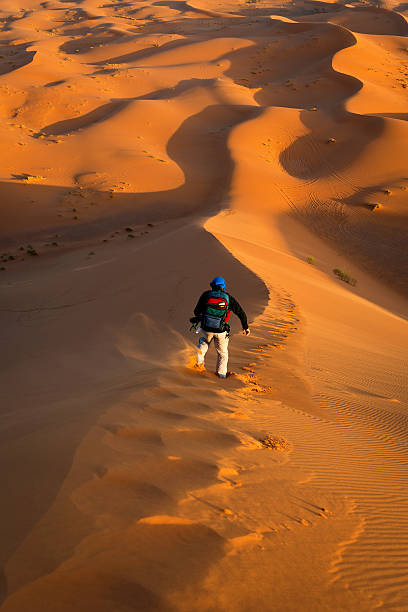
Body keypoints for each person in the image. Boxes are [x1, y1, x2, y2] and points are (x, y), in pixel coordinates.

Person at [190, 276, 250, 378]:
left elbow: (196, 312)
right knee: (222, 354)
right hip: (221, 331)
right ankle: (221, 375)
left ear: (213, 286)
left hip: (206, 329)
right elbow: (241, 313)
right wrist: (245, 327)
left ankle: (198, 367)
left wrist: (203, 316)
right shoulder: (228, 298)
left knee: (202, 347)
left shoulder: (206, 295)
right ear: (223, 287)